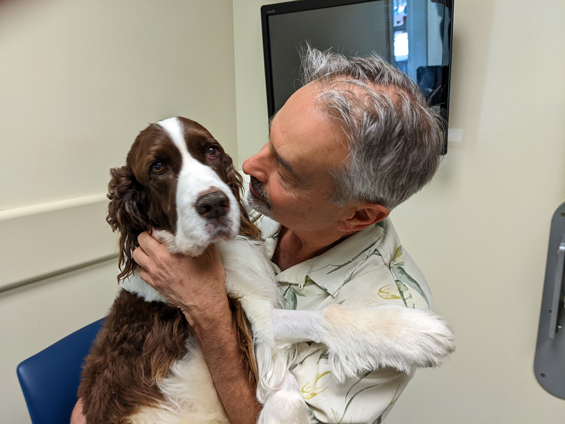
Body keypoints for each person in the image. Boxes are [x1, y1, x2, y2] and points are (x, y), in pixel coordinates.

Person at [71, 47, 444, 424]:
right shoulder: (248, 201)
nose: (249, 167)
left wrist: (209, 310)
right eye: (270, 141)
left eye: (287, 170)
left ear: (359, 214)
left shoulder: (395, 316)